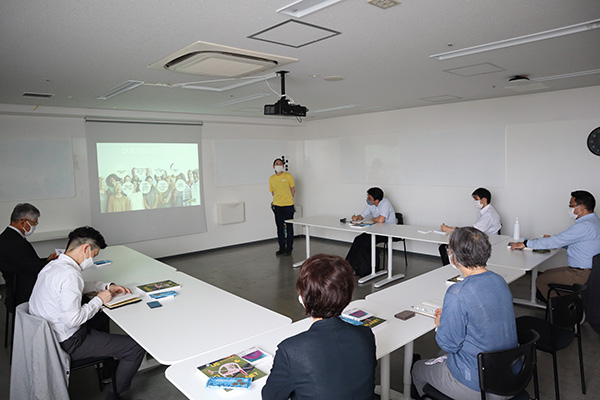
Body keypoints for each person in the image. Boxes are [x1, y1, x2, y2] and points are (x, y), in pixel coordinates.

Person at [29, 226, 145, 400]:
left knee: (101, 318)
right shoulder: (70, 275)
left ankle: (108, 367)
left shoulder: (53, 266)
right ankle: (114, 395)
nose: (93, 259)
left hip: (46, 336)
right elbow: (73, 320)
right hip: (67, 342)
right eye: (95, 255)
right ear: (85, 249)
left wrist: (106, 287)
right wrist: (99, 300)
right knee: (135, 348)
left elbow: (77, 288)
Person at [412, 227, 517, 400]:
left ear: (455, 256)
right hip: (510, 374)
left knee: (418, 369)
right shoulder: (499, 280)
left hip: (478, 384)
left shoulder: (457, 292)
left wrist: (440, 325)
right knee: (440, 357)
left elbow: (448, 344)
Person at [262, 254, 376, 400]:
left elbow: (270, 397)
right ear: (348, 297)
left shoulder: (291, 351)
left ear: (303, 298)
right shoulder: (365, 334)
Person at [510, 190, 600, 300]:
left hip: (580, 274)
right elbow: (576, 244)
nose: (569, 210)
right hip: (591, 272)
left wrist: (526, 243)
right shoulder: (595, 222)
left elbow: (556, 241)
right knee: (547, 273)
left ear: (581, 208)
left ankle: (561, 309)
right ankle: (566, 301)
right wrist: (557, 241)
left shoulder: (584, 226)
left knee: (541, 280)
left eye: (571, 206)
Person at [0, 203, 57, 307]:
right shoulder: (16, 243)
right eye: (34, 223)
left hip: (14, 289)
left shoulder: (5, 237)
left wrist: (47, 260)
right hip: (26, 293)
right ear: (23, 222)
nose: (34, 227)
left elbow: (27, 264)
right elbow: (35, 269)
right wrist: (51, 262)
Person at [345, 187, 397, 277]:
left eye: (370, 198)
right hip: (376, 230)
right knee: (358, 239)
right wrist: (357, 217)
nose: (368, 199)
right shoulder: (371, 204)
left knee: (366, 242)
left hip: (388, 232)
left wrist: (373, 219)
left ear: (376, 200)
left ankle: (362, 268)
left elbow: (381, 220)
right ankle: (347, 266)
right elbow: (363, 215)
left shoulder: (385, 203)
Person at [269, 158, 295, 256]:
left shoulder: (288, 176)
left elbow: (293, 189)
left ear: (283, 166)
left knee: (289, 227)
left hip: (288, 205)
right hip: (277, 206)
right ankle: (281, 248)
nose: (278, 165)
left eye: (280, 163)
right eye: (276, 163)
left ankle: (289, 248)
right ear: (273, 166)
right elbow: (272, 191)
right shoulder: (271, 178)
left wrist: (288, 199)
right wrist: (278, 200)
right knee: (279, 227)